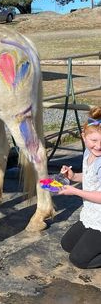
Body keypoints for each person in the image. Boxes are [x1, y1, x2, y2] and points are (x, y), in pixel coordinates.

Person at [58, 106, 101, 269]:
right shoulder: (88, 153)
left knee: (79, 260)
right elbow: (91, 178)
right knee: (67, 244)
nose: (98, 146)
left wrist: (75, 191)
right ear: (84, 137)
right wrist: (73, 176)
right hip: (92, 213)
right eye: (94, 140)